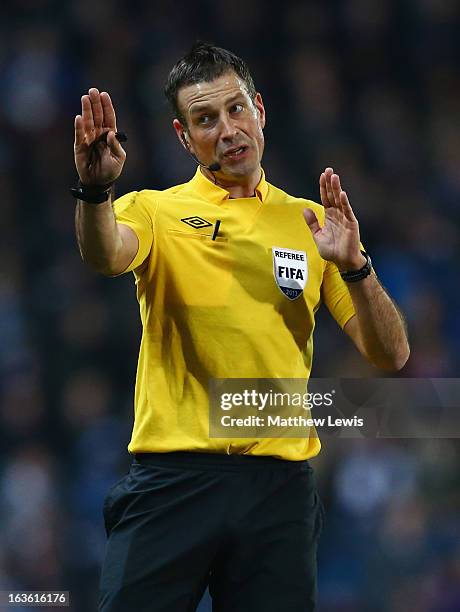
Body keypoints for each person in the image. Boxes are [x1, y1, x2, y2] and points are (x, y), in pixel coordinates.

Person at [73, 42, 409, 612]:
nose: (227, 130)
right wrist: (95, 191)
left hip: (279, 489)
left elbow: (391, 354)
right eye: (206, 119)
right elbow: (105, 254)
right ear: (184, 137)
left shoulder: (312, 223)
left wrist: (356, 267)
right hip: (174, 479)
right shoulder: (154, 210)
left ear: (260, 110)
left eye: (235, 110)